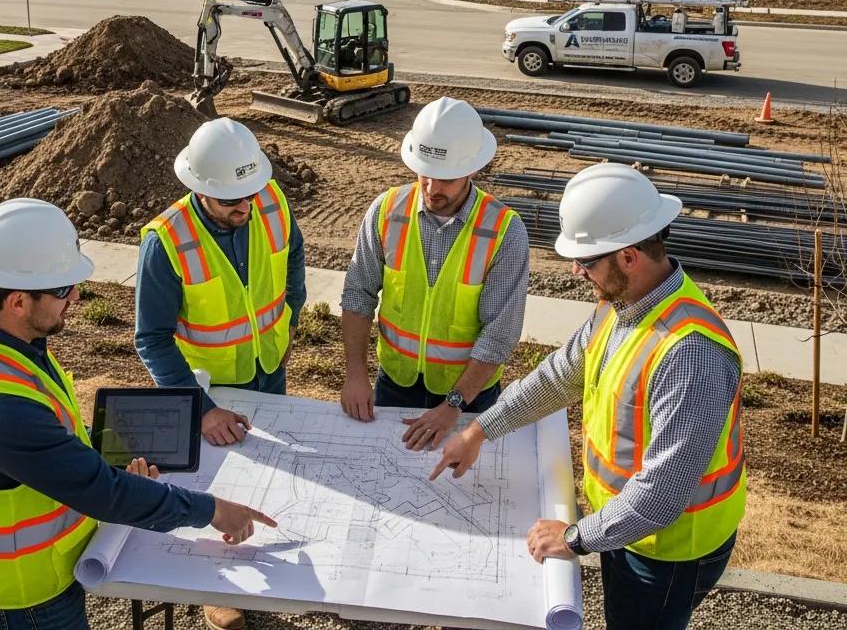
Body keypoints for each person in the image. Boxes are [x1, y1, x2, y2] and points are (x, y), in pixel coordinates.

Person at [0, 198, 275, 630]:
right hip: (19, 593)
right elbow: (102, 492)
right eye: (62, 288)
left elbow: (58, 450)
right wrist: (212, 511)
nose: (76, 294)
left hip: (39, 569)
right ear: (18, 301)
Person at [431, 163, 745, 630]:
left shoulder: (689, 353)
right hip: (626, 528)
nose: (576, 270)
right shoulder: (620, 308)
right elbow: (557, 378)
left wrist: (575, 538)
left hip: (669, 549)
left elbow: (663, 492)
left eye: (588, 260)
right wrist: (479, 430)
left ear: (630, 257)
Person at [136, 117, 305, 630]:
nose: (246, 206)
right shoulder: (166, 242)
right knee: (218, 487)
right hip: (209, 389)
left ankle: (278, 566)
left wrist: (290, 316)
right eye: (232, 199)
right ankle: (219, 590)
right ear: (200, 189)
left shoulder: (269, 199)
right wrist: (202, 409)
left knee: (273, 474)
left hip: (268, 368)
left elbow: (292, 255)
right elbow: (152, 339)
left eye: (250, 194)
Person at [340, 96, 529, 450]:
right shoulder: (386, 211)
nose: (431, 188)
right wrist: (354, 374)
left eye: (446, 179)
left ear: (473, 169)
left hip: (470, 396)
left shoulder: (505, 231)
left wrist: (453, 405)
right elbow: (357, 295)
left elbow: (500, 333)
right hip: (395, 382)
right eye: (425, 174)